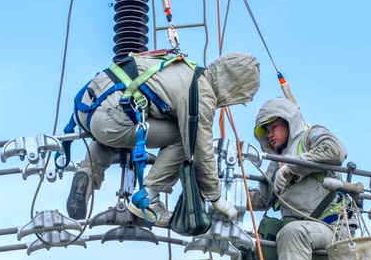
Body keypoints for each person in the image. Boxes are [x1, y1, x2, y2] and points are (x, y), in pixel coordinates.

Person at [65, 52, 261, 226]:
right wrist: (215, 197)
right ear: (233, 87)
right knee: (185, 137)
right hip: (112, 118)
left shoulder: (185, 67)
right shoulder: (202, 94)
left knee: (118, 131)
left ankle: (87, 173)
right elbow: (201, 149)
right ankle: (148, 198)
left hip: (87, 109)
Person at [216, 97, 348, 260]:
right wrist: (223, 195)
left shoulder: (310, 136)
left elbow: (336, 151)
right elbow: (262, 199)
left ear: (289, 122)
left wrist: (291, 168)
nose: (270, 134)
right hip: (297, 234)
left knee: (292, 231)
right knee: (240, 242)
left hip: (332, 228)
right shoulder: (275, 163)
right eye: (266, 130)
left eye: (274, 127)